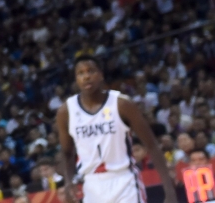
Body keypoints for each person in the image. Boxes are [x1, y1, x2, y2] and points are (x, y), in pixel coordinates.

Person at [56, 55, 177, 203]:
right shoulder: (66, 112)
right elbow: (67, 153)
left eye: (90, 71)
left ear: (101, 75)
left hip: (124, 181)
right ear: (76, 79)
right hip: (92, 185)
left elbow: (152, 145)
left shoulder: (122, 104)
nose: (86, 76)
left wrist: (169, 190)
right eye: (80, 73)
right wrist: (68, 181)